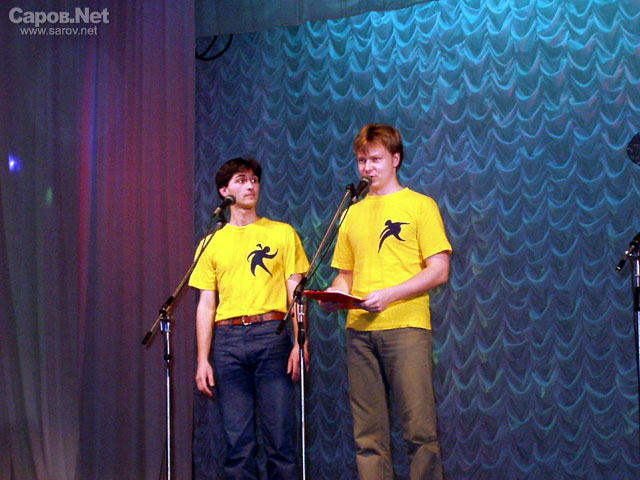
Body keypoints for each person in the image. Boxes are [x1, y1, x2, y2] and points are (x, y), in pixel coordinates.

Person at [322, 124, 452, 480]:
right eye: (362, 160)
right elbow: (345, 274)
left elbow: (439, 270)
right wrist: (335, 294)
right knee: (368, 436)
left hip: (406, 327)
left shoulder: (420, 205)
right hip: (359, 332)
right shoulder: (351, 212)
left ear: (395, 159)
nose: (368, 167)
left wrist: (390, 294)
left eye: (376, 159)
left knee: (420, 431)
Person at [189, 157, 309, 480]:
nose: (250, 186)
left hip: (272, 335)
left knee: (279, 441)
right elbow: (206, 305)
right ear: (223, 191)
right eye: (241, 180)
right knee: (238, 446)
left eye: (254, 179)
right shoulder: (211, 242)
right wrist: (202, 359)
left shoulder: (282, 233)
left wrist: (300, 341)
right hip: (228, 343)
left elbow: (296, 293)